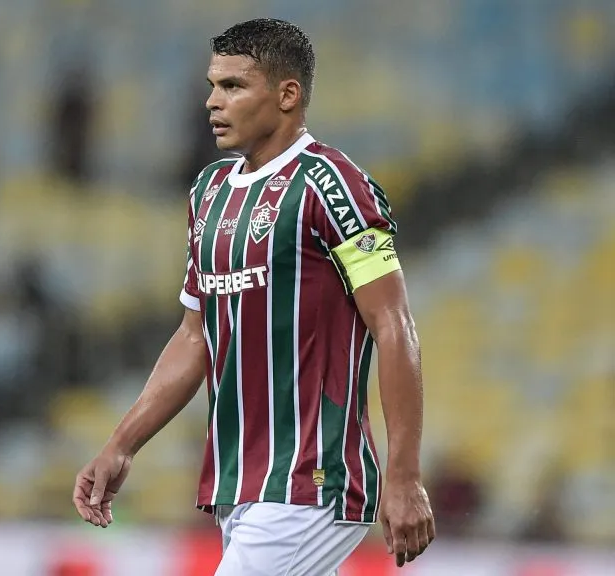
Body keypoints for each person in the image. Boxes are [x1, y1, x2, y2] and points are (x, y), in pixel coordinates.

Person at [72, 19, 435, 574]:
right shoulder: (210, 191)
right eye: (212, 85)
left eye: (234, 86)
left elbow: (394, 324)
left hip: (311, 479)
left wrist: (405, 474)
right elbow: (196, 334)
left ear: (287, 95)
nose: (213, 102)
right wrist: (122, 443)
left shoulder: (332, 185)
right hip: (241, 483)